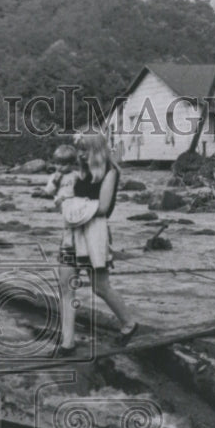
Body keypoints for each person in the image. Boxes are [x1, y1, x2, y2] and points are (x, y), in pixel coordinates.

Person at [56, 131, 139, 355]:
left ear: (97, 150)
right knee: (66, 288)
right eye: (79, 150)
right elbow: (64, 200)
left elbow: (103, 208)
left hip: (94, 235)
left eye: (85, 150)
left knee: (100, 287)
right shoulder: (80, 172)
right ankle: (67, 343)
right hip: (71, 235)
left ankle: (130, 324)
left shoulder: (110, 173)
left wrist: (73, 205)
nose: (80, 155)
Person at [44, 144, 98, 229]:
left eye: (63, 165)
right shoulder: (54, 176)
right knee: (65, 220)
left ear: (72, 164)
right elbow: (48, 192)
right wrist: (55, 182)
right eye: (57, 164)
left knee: (74, 220)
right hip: (61, 200)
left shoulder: (75, 175)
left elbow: (82, 188)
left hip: (73, 201)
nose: (59, 167)